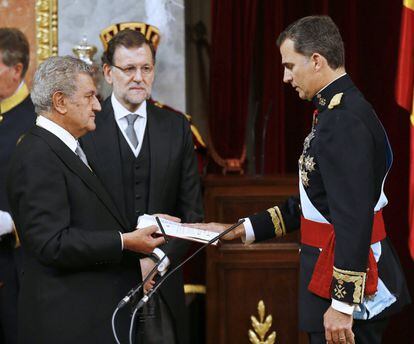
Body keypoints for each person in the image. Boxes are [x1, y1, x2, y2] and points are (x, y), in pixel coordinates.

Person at [193, 16, 410, 344]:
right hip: (331, 278)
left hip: (347, 291)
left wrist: (342, 304)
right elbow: (312, 204)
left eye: (290, 66)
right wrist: (241, 229)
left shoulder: (344, 121)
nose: (285, 76)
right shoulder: (335, 112)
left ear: (317, 61)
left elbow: (353, 217)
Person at [7, 55, 165, 344]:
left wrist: (142, 228)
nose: (97, 106)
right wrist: (124, 241)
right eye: (90, 96)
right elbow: (51, 243)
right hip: (65, 325)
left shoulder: (69, 148)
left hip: (88, 319)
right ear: (60, 101)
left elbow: (90, 219)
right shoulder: (37, 154)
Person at [80, 28, 203, 344]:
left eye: (145, 68)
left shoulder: (176, 127)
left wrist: (156, 258)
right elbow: (80, 214)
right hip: (101, 284)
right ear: (108, 73)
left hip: (163, 287)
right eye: (129, 69)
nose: (138, 77)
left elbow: (192, 212)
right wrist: (128, 258)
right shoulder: (87, 128)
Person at [0, 28, 35, 344]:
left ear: (17, 70)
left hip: (18, 262)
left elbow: (48, 190)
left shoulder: (37, 119)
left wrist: (12, 220)